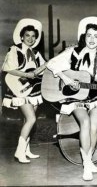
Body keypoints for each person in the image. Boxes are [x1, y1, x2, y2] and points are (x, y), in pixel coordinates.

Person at [46, 16, 97, 181]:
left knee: (94, 127)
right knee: (85, 123)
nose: (92, 39)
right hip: (75, 97)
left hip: (96, 96)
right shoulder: (72, 52)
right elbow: (51, 64)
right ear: (84, 36)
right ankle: (87, 164)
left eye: (96, 36)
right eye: (89, 35)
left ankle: (89, 160)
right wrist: (66, 79)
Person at [2, 18, 46, 164]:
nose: (30, 39)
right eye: (27, 35)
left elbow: (44, 68)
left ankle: (26, 150)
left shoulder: (35, 53)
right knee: (32, 118)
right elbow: (7, 68)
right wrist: (27, 75)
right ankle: (19, 152)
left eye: (33, 36)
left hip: (32, 90)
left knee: (28, 120)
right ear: (21, 36)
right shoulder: (14, 49)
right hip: (18, 88)